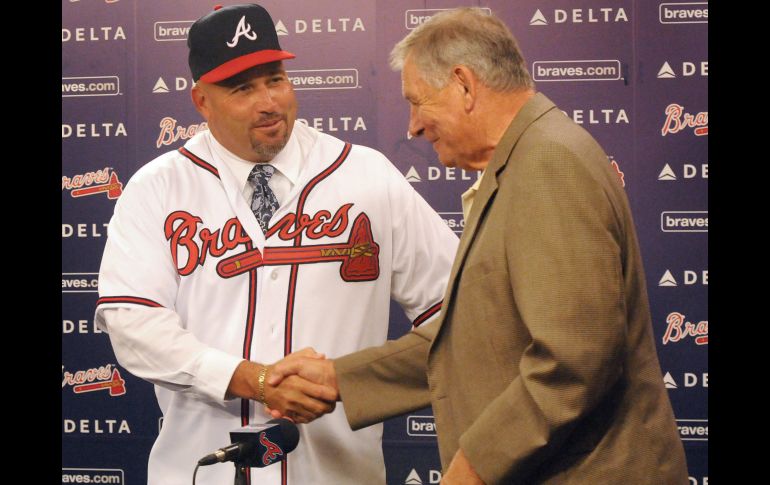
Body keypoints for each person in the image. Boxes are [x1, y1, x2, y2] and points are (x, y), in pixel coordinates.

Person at [269, 7, 689, 485]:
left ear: (464, 85)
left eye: (417, 102)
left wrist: (471, 469)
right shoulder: (524, 160)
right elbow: (474, 335)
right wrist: (341, 379)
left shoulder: (547, 163)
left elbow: (575, 362)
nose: (412, 127)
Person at [94, 4, 458, 485]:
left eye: (275, 79)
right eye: (242, 88)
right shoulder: (158, 188)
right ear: (202, 101)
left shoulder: (367, 175)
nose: (268, 101)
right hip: (201, 471)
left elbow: (456, 314)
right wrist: (252, 379)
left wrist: (358, 381)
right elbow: (134, 325)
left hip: (337, 473)